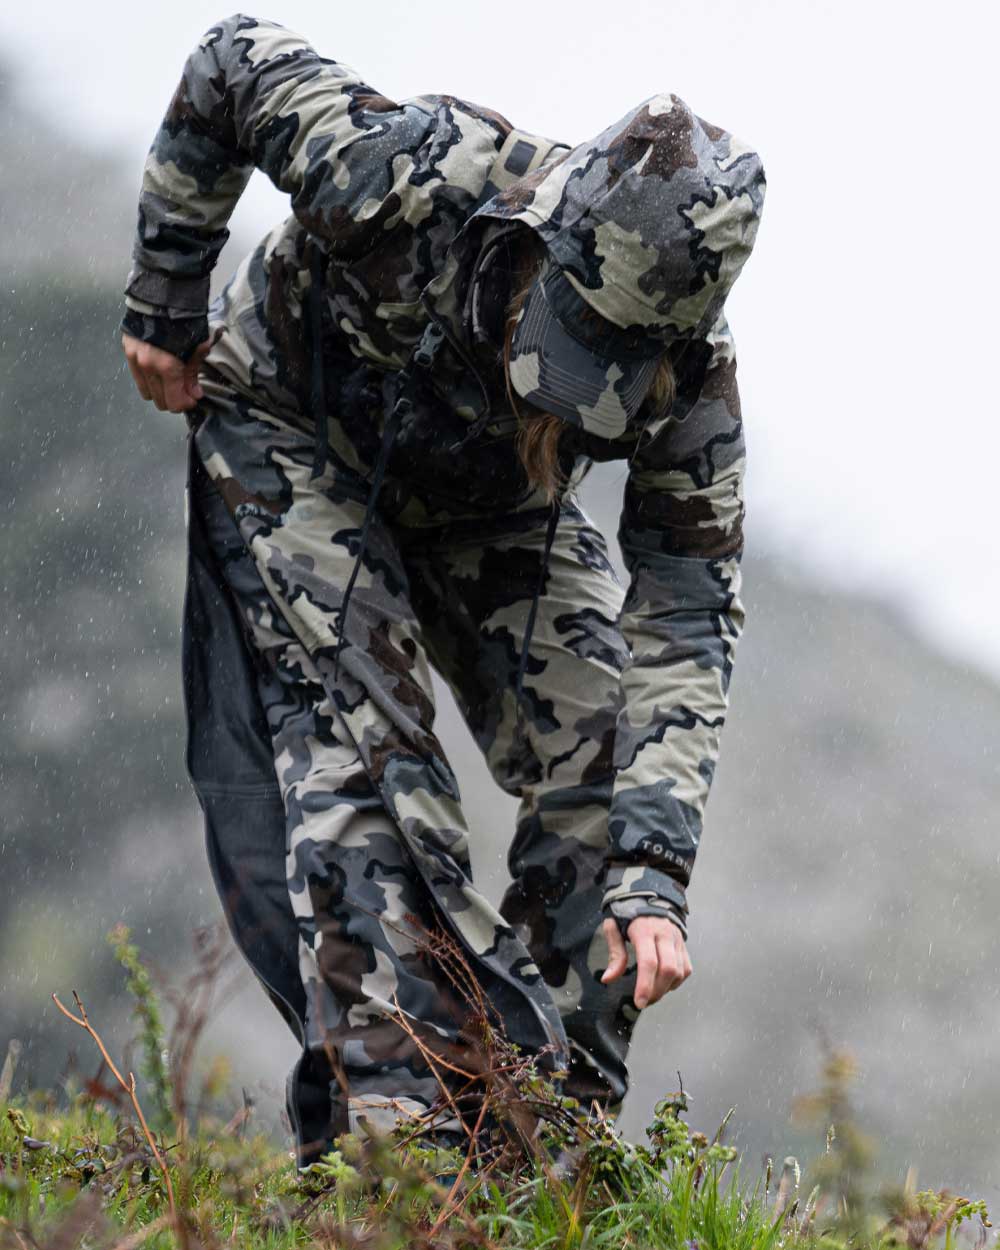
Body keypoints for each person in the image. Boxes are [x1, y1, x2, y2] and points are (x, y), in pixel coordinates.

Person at [119, 14, 765, 1166]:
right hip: (296, 434)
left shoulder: (693, 376)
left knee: (613, 772)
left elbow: (686, 610)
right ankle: (399, 1148)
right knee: (374, 773)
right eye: (577, 337)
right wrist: (168, 288)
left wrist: (653, 874)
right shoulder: (410, 170)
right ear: (545, 241)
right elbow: (228, 61)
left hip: (497, 500)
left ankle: (539, 1139)